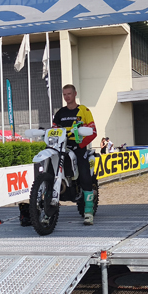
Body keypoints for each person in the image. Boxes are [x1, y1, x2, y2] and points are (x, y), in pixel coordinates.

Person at [52, 84, 98, 225]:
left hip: (78, 147)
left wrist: (81, 145)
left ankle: (88, 211)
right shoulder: (60, 113)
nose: (67, 97)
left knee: (84, 173)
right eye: (64, 94)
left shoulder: (84, 110)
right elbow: (54, 129)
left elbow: (93, 131)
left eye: (69, 94)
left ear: (75, 94)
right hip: (61, 147)